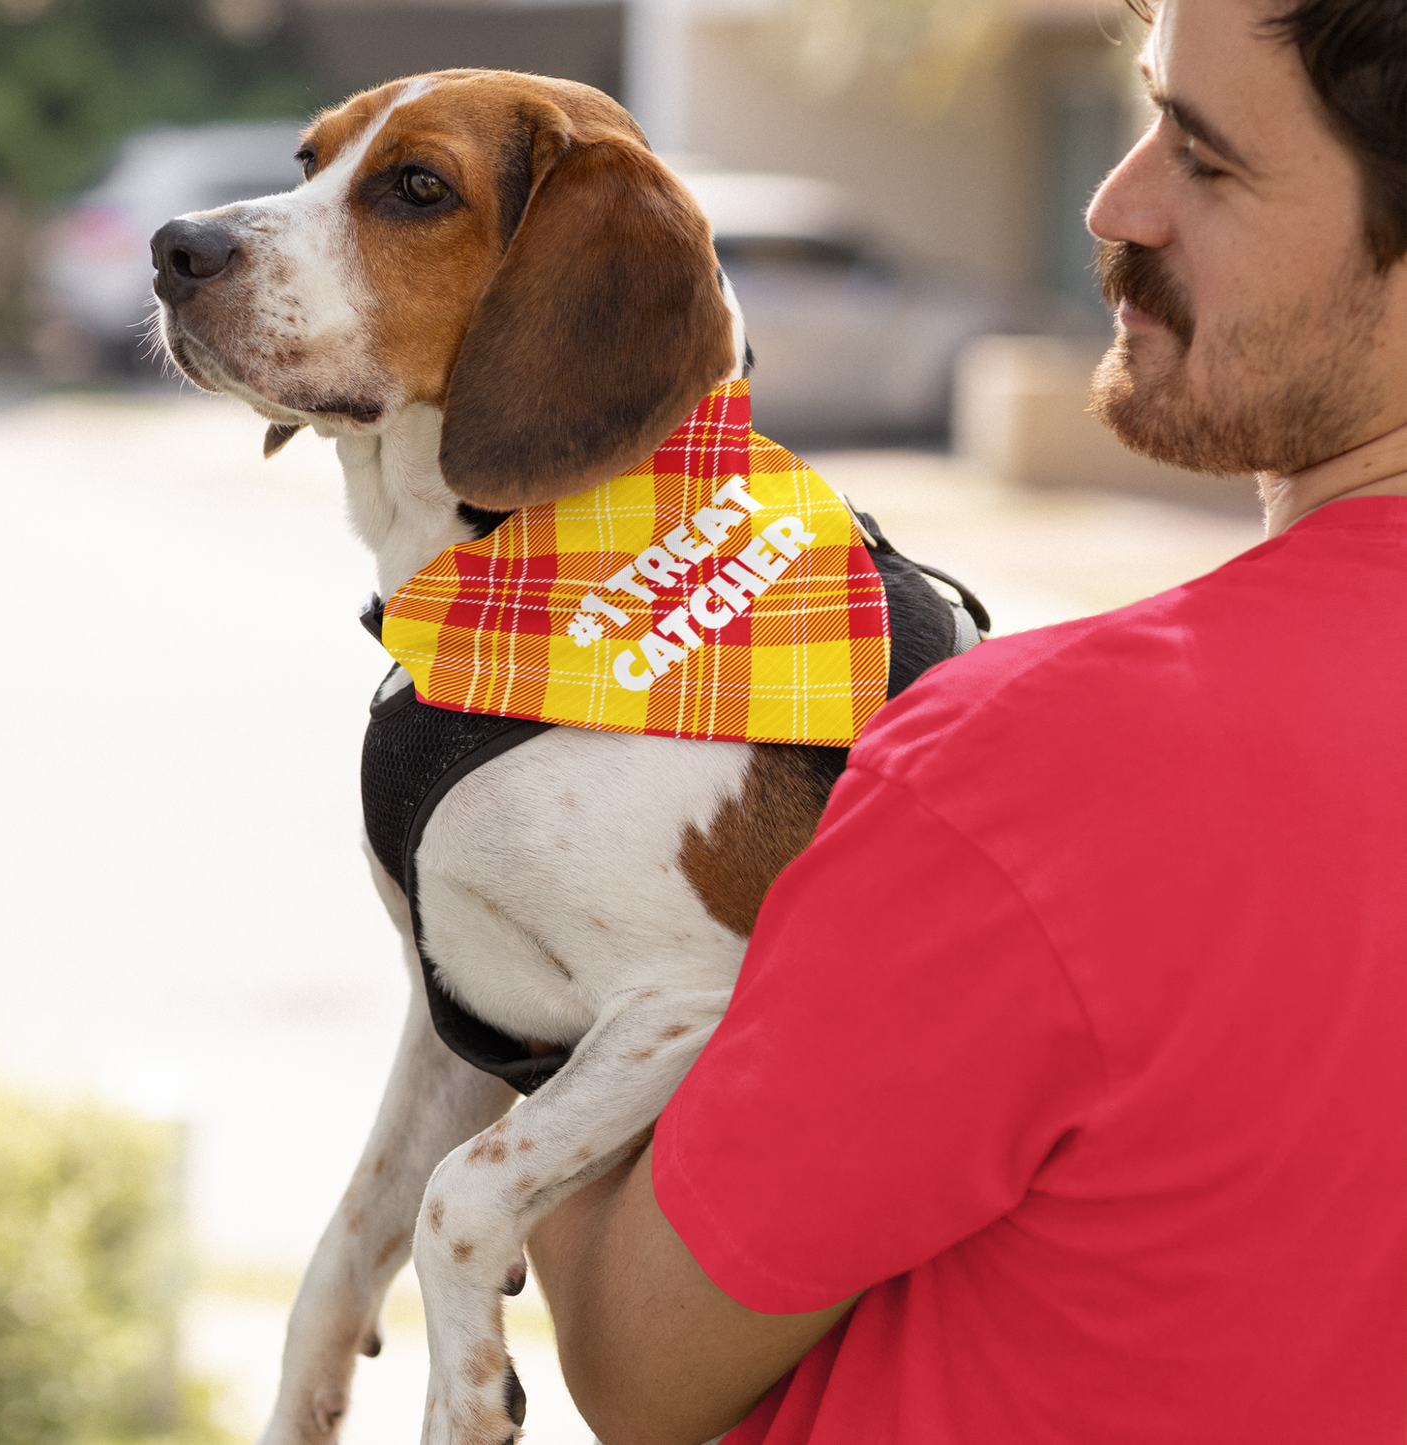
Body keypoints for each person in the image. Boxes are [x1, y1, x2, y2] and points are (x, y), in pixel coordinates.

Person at [526, 0, 1407, 1440]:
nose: (1116, 199)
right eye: (1144, 112)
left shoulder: (1050, 767)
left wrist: (523, 866)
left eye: (1205, 155)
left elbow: (637, 1360)